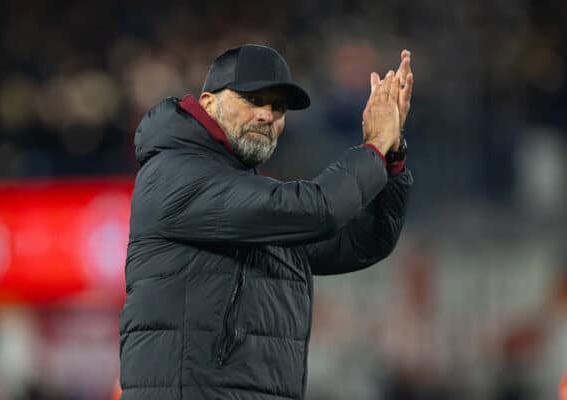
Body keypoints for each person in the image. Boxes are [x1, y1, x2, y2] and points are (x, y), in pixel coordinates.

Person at [119, 44, 414, 400]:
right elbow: (320, 211)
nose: (266, 115)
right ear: (208, 103)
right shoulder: (174, 175)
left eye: (277, 107)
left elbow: (363, 242)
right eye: (252, 99)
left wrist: (392, 155)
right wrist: (374, 147)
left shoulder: (253, 201)